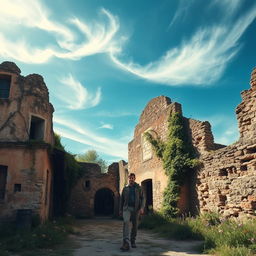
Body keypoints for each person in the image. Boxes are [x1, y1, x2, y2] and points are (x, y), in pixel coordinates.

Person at [119, 173, 145, 251]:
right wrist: (120, 210)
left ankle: (132, 240)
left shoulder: (139, 188)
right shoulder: (125, 188)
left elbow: (143, 198)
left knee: (135, 225)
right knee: (126, 221)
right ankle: (126, 242)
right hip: (126, 208)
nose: (131, 179)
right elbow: (121, 200)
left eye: (132, 178)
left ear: (135, 178)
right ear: (128, 179)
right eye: (130, 178)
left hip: (136, 209)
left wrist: (142, 208)